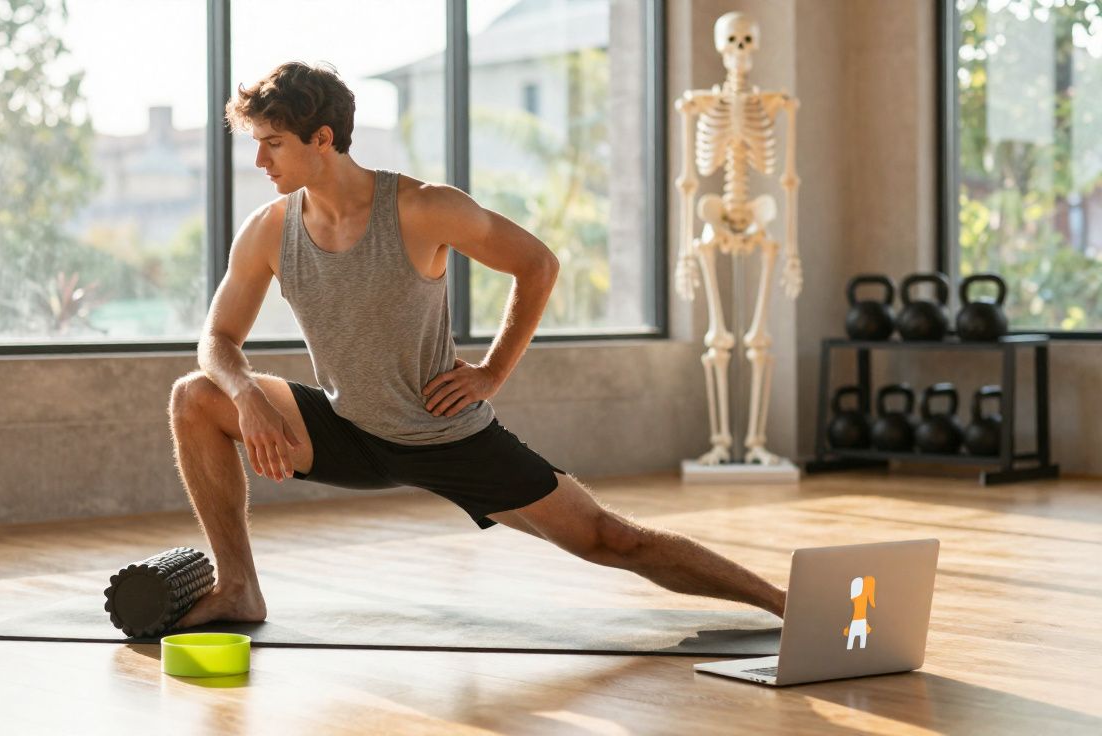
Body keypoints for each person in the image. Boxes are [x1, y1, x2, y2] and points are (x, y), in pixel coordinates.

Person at [168, 61, 786, 628]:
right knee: (196, 397)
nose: (260, 161)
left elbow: (538, 265)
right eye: (257, 144)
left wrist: (492, 371)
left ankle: (787, 605)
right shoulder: (268, 230)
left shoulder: (423, 208)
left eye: (273, 143)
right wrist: (244, 392)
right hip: (347, 428)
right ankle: (239, 587)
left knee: (610, 539)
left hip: (443, 435)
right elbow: (218, 338)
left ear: (322, 138)